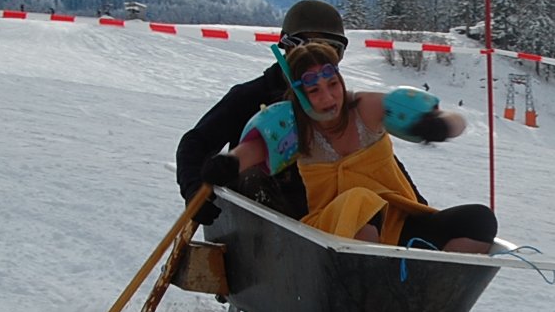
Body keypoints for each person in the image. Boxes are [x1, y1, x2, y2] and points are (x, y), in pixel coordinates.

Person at [201, 41, 497, 254]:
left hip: (396, 223)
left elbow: (453, 119)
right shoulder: (294, 125)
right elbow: (253, 151)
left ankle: (428, 288)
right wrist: (228, 163)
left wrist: (441, 125)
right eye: (314, 91)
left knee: (479, 220)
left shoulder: (364, 108)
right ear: (300, 95)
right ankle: (375, 282)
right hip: (332, 231)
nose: (329, 98)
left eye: (333, 84)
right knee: (360, 199)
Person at [175, 0, 425, 232]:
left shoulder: (337, 105)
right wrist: (194, 188)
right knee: (253, 172)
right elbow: (196, 142)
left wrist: (419, 210)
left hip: (329, 221)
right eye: (310, 46)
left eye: (332, 49)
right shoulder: (252, 96)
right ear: (287, 47)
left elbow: (378, 159)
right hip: (267, 228)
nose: (316, 59)